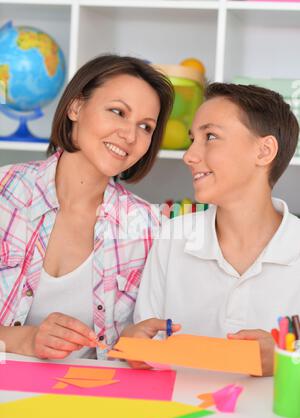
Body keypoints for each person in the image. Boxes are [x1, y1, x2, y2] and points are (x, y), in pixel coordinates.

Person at [0, 54, 174, 360]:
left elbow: (138, 350)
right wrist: (23, 339)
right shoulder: (6, 191)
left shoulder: (148, 227)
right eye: (118, 112)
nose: (130, 135)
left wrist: (133, 346)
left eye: (146, 127)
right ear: (76, 107)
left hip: (87, 402)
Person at [123, 82, 300, 376]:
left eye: (211, 137)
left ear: (264, 150)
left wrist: (286, 357)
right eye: (193, 139)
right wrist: (134, 345)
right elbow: (147, 346)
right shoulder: (173, 238)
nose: (189, 156)